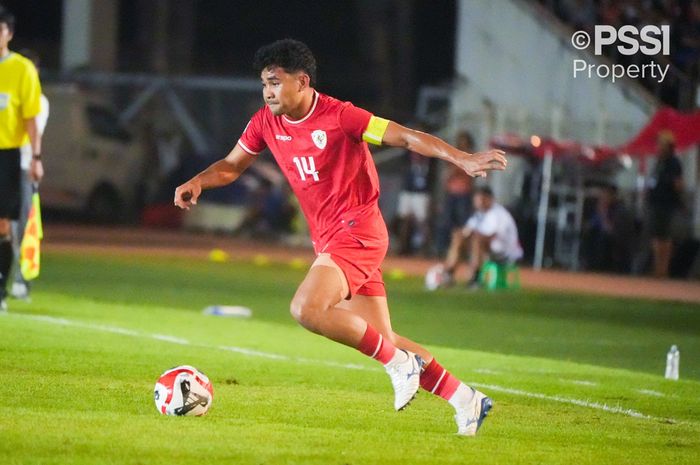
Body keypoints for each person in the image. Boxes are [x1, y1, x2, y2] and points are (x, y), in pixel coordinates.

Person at [174, 39, 507, 436]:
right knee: (385, 338)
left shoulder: (341, 116)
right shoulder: (265, 121)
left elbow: (406, 136)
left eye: (276, 82)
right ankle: (466, 400)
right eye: (264, 83)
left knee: (306, 309)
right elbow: (231, 166)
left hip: (358, 231)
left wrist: (462, 158)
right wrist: (199, 181)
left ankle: (399, 364)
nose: (268, 92)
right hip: (331, 239)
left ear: (303, 81)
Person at [0, 7, 44, 311]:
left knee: (3, 225)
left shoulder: (22, 69)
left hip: (7, 155)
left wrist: (36, 158)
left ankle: (1, 289)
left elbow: (31, 119)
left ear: (9, 33)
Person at [10, 49, 49, 300]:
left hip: (22, 167)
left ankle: (22, 280)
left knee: (24, 226)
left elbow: (30, 133)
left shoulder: (40, 102)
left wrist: (36, 161)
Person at [442, 186, 522, 287]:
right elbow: (467, 232)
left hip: (506, 253)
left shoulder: (499, 214)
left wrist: (472, 235)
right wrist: (462, 235)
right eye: (477, 199)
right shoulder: (478, 215)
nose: (479, 202)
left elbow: (492, 237)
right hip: (487, 251)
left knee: (477, 240)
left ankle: (476, 278)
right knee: (459, 237)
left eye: (482, 199)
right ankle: (448, 273)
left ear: (490, 199)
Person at [394, 123, 437, 255]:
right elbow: (403, 168)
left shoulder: (430, 151)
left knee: (422, 221)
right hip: (408, 189)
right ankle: (402, 247)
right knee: (404, 219)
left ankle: (426, 248)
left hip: (422, 191)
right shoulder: (407, 151)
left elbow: (433, 172)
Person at [647, 131, 683, 278]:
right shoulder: (659, 162)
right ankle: (658, 268)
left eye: (660, 144)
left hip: (666, 203)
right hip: (656, 202)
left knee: (664, 237)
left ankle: (663, 269)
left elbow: (678, 184)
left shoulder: (674, 162)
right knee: (656, 236)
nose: (658, 147)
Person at [435, 130, 475, 256]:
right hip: (452, 193)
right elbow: (447, 175)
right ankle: (444, 250)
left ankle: (464, 251)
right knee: (447, 222)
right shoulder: (453, 155)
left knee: (464, 224)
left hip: (464, 194)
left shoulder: (471, 156)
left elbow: (472, 175)